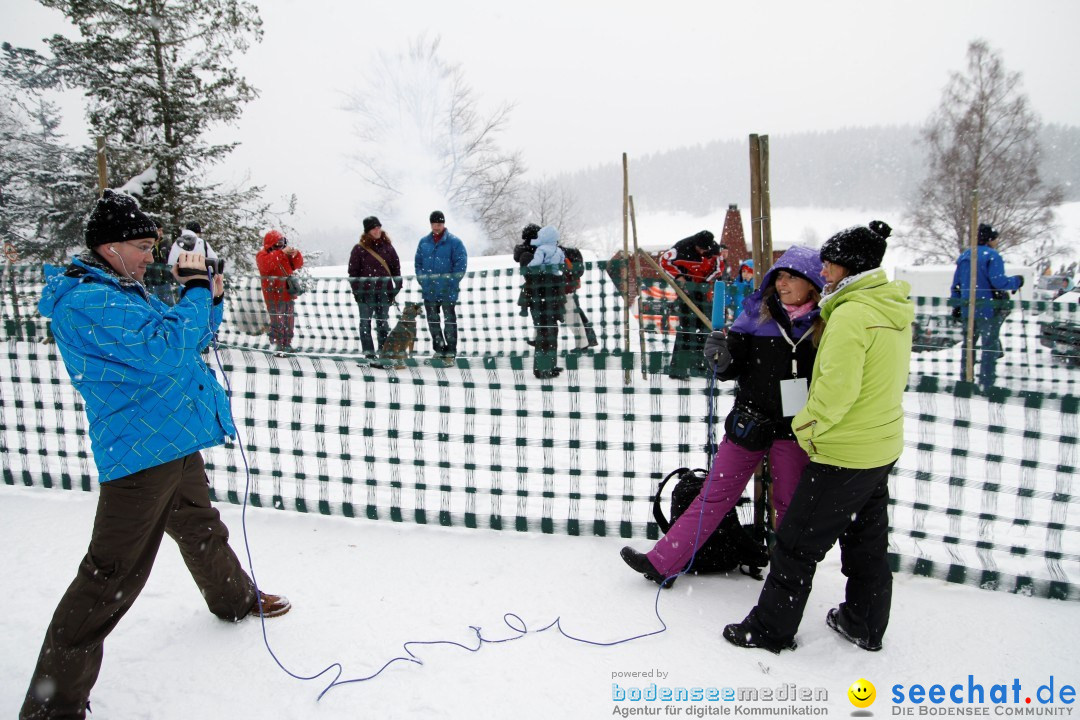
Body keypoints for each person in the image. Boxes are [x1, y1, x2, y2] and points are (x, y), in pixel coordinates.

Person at [25, 190, 289, 720]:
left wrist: (206, 297)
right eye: (143, 246)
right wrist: (191, 292)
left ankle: (234, 599)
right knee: (110, 575)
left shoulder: (120, 289)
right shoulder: (87, 300)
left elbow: (185, 340)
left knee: (198, 524)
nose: (151, 256)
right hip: (140, 451)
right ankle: (51, 706)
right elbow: (164, 352)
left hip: (171, 434)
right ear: (109, 245)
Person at [723, 220, 912, 655]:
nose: (822, 273)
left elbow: (835, 390)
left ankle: (769, 630)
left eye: (829, 266)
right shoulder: (892, 307)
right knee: (867, 543)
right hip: (881, 445)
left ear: (850, 268)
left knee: (795, 545)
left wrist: (805, 431)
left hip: (843, 450)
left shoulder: (850, 315)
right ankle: (863, 622)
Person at [620, 246, 824, 586]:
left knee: (789, 505)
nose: (783, 284)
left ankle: (788, 579)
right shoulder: (756, 315)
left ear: (812, 283)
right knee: (713, 496)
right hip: (750, 421)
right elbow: (731, 369)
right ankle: (662, 562)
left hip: (795, 427)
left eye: (792, 277)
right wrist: (721, 358)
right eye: (780, 277)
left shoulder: (824, 322)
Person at [950, 223, 1023, 391]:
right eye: (996, 239)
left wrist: (956, 305)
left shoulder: (965, 256)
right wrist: (1016, 281)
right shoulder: (992, 256)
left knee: (968, 346)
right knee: (989, 347)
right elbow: (999, 281)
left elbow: (956, 285)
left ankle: (965, 380)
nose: (997, 242)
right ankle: (986, 383)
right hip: (988, 309)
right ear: (990, 239)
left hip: (968, 309)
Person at [659, 230, 724, 379]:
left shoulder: (715, 251)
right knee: (687, 328)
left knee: (704, 328)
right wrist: (679, 276)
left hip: (704, 291)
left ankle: (699, 366)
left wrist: (706, 282)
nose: (702, 252)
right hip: (686, 292)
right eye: (700, 249)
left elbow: (718, 269)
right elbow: (663, 261)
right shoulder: (681, 248)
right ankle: (678, 368)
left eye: (705, 250)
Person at [415, 210, 468, 364]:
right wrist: (423, 280)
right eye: (434, 223)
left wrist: (450, 283)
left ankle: (450, 352)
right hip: (429, 290)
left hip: (447, 291)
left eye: (439, 223)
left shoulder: (455, 242)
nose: (436, 226)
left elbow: (461, 265)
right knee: (433, 322)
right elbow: (418, 263)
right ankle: (439, 350)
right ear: (430, 224)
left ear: (443, 224)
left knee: (449, 320)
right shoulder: (423, 242)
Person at [349, 216, 402, 358]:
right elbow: (353, 273)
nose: (377, 230)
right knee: (365, 324)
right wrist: (357, 292)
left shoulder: (388, 247)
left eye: (378, 227)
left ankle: (383, 352)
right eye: (374, 228)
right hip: (365, 293)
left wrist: (396, 285)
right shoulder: (359, 249)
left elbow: (395, 267)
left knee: (382, 323)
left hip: (384, 291)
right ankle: (369, 353)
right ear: (367, 231)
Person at [526, 225, 567, 378]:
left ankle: (546, 366)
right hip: (550, 294)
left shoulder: (541, 250)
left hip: (543, 294)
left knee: (545, 331)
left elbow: (533, 265)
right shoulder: (558, 250)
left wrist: (533, 268)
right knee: (549, 331)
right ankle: (545, 367)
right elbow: (563, 265)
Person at [256, 229, 304, 355]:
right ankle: (277, 345)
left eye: (282, 242)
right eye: (278, 242)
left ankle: (287, 344)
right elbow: (266, 266)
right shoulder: (262, 255)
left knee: (289, 320)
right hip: (273, 294)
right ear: (271, 243)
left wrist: (296, 254)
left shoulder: (283, 255)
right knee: (277, 320)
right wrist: (281, 253)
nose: (281, 245)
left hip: (287, 293)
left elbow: (297, 265)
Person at [562, 244, 598, 352]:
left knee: (574, 316)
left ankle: (585, 342)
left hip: (566, 289)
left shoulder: (560, 254)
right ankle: (589, 340)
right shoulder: (569, 253)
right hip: (570, 288)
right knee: (576, 314)